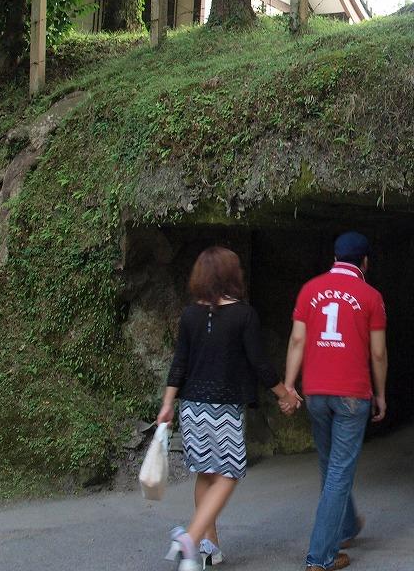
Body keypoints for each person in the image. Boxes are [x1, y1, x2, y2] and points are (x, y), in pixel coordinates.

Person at [158, 246, 300, 571]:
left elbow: (179, 364)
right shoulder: (244, 314)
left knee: (206, 473)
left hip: (191, 407)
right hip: (223, 409)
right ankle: (191, 537)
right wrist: (286, 395)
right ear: (231, 276)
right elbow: (260, 363)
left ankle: (208, 549)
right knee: (230, 473)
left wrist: (167, 404)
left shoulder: (190, 315)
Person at [285, 232, 388, 571]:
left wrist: (289, 384)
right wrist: (380, 394)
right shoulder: (371, 296)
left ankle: (345, 527)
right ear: (365, 262)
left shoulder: (309, 289)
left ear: (334, 258)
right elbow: (377, 352)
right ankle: (320, 557)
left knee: (330, 465)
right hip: (352, 395)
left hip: (315, 392)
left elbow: (297, 341)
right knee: (340, 472)